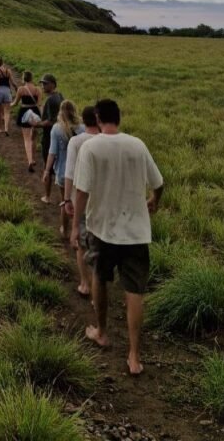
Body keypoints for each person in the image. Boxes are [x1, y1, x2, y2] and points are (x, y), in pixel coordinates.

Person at [71, 98, 164, 377]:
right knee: (135, 291)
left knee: (100, 278)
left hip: (102, 228)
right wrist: (154, 200)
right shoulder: (137, 145)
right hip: (136, 231)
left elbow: (81, 192)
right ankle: (134, 356)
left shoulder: (90, 147)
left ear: (98, 119)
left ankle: (101, 332)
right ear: (119, 117)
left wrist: (75, 225)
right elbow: (158, 183)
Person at [63, 105, 100, 297]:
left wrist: (66, 199)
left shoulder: (76, 141)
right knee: (99, 245)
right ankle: (98, 290)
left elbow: (69, 173)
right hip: (101, 200)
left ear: (83, 121)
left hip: (80, 198)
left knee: (81, 244)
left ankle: (85, 284)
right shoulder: (105, 141)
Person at [42, 100, 85, 227]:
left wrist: (47, 170)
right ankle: (77, 229)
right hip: (80, 172)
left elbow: (52, 152)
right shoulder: (83, 128)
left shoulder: (56, 129)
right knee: (80, 202)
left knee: (65, 201)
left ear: (60, 112)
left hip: (63, 172)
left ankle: (64, 229)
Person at [39, 73, 64, 201]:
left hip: (49, 136)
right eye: (42, 83)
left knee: (47, 166)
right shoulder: (60, 96)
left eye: (45, 83)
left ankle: (47, 196)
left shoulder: (50, 100)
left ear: (53, 84)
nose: (43, 86)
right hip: (61, 134)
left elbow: (50, 121)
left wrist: (37, 124)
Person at [11, 71, 42, 172]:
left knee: (27, 139)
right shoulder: (38, 89)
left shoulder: (21, 89)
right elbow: (39, 104)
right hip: (35, 113)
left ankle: (29, 160)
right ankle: (33, 158)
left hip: (24, 113)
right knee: (34, 138)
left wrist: (9, 105)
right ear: (32, 78)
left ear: (24, 78)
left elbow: (15, 103)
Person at [0, 57, 17, 136]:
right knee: (7, 111)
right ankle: (6, 128)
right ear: (3, 63)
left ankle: (0, 128)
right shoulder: (8, 71)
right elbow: (12, 82)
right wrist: (16, 87)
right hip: (7, 91)